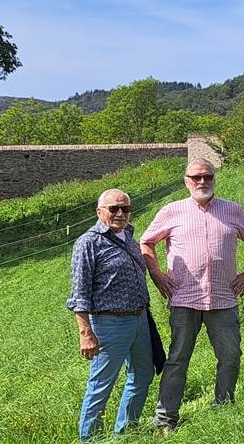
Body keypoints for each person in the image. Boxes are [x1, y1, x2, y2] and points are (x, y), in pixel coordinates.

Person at [141, 159, 244, 430]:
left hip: (223, 298)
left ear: (214, 178)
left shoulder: (232, 210)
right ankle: (165, 420)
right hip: (184, 299)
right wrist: (158, 275)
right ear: (186, 181)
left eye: (207, 177)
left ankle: (223, 408)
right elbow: (147, 242)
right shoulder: (172, 211)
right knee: (177, 360)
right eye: (196, 177)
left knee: (230, 357)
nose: (202, 182)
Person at [67, 189, 154, 441]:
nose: (119, 213)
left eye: (125, 209)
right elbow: (79, 292)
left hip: (139, 320)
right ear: (99, 212)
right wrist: (86, 333)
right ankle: (91, 439)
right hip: (109, 323)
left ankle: (126, 431)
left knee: (142, 374)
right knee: (101, 385)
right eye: (113, 208)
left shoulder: (128, 236)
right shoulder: (88, 242)